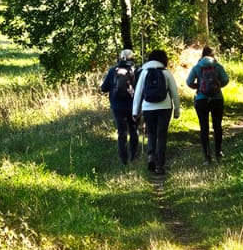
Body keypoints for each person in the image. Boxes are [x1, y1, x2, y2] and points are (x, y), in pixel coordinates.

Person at [132, 47, 181, 176]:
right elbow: (174, 93)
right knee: (162, 134)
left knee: (151, 133)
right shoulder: (166, 72)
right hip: (165, 107)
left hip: (148, 108)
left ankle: (151, 156)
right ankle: (160, 165)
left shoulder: (144, 72)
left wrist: (135, 111)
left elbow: (138, 93)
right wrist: (177, 110)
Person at [185, 43, 230, 162]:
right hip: (217, 99)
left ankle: (207, 156)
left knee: (204, 127)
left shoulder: (197, 67)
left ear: (202, 55)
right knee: (217, 126)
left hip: (201, 99)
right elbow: (226, 80)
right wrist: (218, 86)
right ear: (212, 55)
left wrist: (198, 87)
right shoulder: (217, 66)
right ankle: (218, 153)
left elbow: (189, 82)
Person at [98, 48, 140, 165]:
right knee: (133, 130)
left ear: (120, 58)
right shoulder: (136, 70)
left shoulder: (113, 71)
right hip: (133, 105)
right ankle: (133, 156)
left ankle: (123, 159)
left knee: (122, 132)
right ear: (132, 58)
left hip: (117, 106)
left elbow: (104, 88)